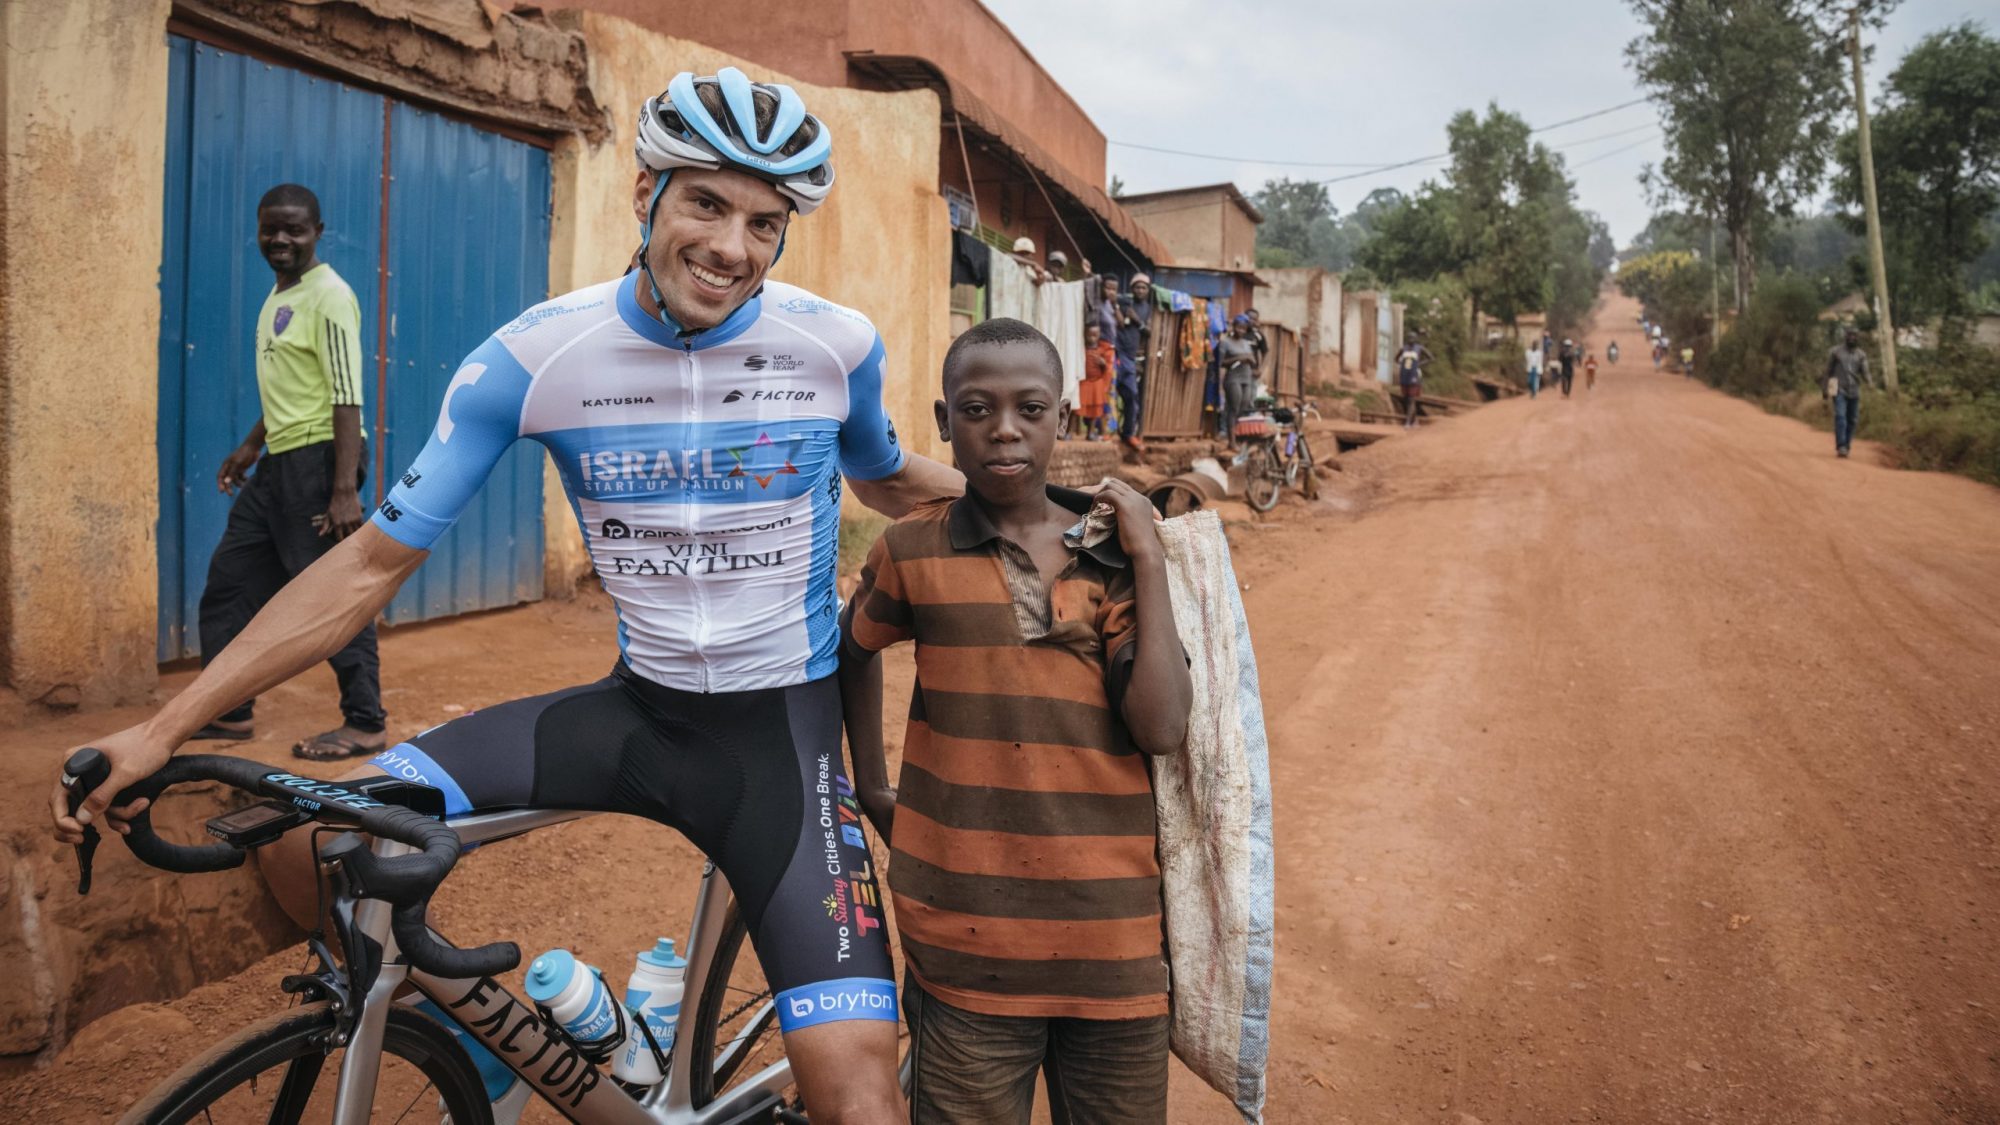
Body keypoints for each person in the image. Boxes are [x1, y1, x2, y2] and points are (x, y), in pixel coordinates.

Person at [52, 67, 966, 1125]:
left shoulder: (833, 345)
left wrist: (1047, 508)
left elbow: (885, 476)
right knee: (306, 841)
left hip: (781, 744)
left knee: (857, 1101)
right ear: (645, 194)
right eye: (707, 204)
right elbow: (367, 566)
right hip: (637, 716)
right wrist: (161, 730)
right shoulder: (536, 356)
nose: (732, 247)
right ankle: (457, 1039)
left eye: (765, 223)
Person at [840, 317, 1191, 1124]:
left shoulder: (1110, 553)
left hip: (1114, 947)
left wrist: (1148, 557)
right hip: (964, 948)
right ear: (944, 423)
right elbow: (853, 650)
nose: (1004, 429)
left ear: (1061, 418)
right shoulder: (912, 550)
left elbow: (1162, 725)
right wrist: (874, 785)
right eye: (977, 409)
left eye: (1030, 409)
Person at [193, 183, 386, 762]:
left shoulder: (329, 295)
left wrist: (343, 489)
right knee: (230, 582)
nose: (280, 239)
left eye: (294, 229)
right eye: (270, 229)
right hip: (281, 460)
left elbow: (345, 395)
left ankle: (366, 722)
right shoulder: (282, 294)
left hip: (321, 463)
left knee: (328, 595)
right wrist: (252, 446)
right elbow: (295, 389)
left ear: (317, 233)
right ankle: (228, 712)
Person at [1114, 273, 1153, 450]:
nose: (1140, 290)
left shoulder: (1147, 309)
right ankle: (1105, 431)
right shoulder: (1124, 302)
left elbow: (1149, 332)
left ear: (1148, 290)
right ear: (1132, 289)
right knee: (1110, 395)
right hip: (1116, 354)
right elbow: (1112, 299)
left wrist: (1137, 321)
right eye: (1137, 287)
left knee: (1131, 396)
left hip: (1131, 358)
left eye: (1143, 288)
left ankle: (1128, 433)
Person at [1823, 327, 1873, 459]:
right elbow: (1828, 371)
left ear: (1858, 338)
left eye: (1854, 336)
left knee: (1853, 419)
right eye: (1849, 335)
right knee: (1840, 416)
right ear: (1845, 336)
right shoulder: (1836, 352)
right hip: (1839, 388)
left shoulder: (1861, 355)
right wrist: (1825, 389)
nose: (1852, 338)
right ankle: (1841, 446)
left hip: (1854, 390)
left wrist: (1870, 384)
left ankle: (1847, 445)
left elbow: (1865, 372)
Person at [1217, 314, 1260, 446]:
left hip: (1246, 377)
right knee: (1234, 407)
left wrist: (1252, 361)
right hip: (1233, 377)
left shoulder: (1246, 343)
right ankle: (1231, 441)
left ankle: (1237, 435)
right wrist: (1239, 358)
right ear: (1234, 326)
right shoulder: (1225, 342)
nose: (1240, 330)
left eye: (1243, 328)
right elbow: (1221, 362)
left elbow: (1253, 360)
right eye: (1238, 327)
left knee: (1244, 406)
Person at [1081, 319, 1115, 440]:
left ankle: (1090, 433)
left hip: (1096, 384)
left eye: (1095, 335)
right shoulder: (1081, 349)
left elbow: (1107, 369)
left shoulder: (1102, 351)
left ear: (1099, 335)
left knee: (1095, 410)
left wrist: (1103, 364)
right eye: (1089, 335)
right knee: (1077, 409)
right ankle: (1067, 431)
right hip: (1083, 383)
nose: (1092, 338)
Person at [1395, 332, 1432, 428]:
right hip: (1404, 376)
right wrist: (1402, 364)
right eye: (1409, 338)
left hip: (1414, 376)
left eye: (1413, 338)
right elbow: (1396, 359)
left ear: (1416, 339)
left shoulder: (1419, 348)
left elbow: (1430, 358)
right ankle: (1414, 421)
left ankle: (1408, 422)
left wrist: (1419, 364)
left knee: (1411, 399)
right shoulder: (1403, 349)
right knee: (1407, 399)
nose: (1411, 339)